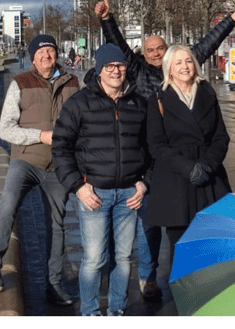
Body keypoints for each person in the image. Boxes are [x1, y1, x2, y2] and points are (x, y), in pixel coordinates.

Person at [93, 0, 235, 300]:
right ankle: (149, 277)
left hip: (185, 163)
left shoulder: (191, 77)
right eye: (150, 49)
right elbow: (121, 46)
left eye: (159, 49)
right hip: (149, 158)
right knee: (151, 222)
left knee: (198, 228)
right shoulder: (138, 72)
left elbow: (207, 43)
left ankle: (205, 287)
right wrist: (106, 20)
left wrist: (232, 18)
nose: (154, 53)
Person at [52, 44, 150, 316]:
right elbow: (60, 148)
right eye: (110, 67)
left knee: (123, 258)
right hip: (94, 193)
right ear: (99, 70)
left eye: (120, 66)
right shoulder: (79, 104)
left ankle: (117, 310)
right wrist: (78, 187)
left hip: (129, 194)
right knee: (94, 259)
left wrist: (144, 183)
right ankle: (91, 312)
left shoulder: (138, 102)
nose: (117, 71)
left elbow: (152, 147)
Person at [0, 34, 79, 306]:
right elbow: (5, 129)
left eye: (50, 51)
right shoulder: (20, 83)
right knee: (8, 202)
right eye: (41, 52)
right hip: (26, 160)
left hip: (58, 164)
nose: (46, 56)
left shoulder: (73, 82)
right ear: (32, 57)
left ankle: (53, 282)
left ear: (56, 54)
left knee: (57, 222)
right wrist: (41, 135)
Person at [145, 45, 231, 267]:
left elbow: (221, 137)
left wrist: (207, 165)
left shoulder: (208, 93)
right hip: (177, 182)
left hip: (210, 180)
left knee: (214, 247)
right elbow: (157, 145)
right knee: (182, 250)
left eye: (188, 61)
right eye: (178, 63)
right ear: (169, 69)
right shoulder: (158, 100)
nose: (185, 67)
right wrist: (188, 168)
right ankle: (184, 300)